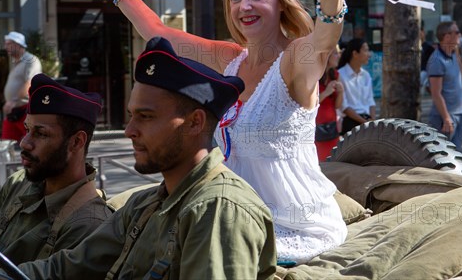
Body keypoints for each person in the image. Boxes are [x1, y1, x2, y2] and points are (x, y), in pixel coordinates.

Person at [85, 0, 347, 263]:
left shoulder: (295, 57)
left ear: (280, 1)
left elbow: (325, 39)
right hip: (231, 215)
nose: (244, 6)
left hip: (291, 227)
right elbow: (156, 31)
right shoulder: (229, 59)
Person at [19, 37, 277, 279]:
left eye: (146, 116)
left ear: (194, 122)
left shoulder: (217, 209)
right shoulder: (145, 204)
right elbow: (67, 268)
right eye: (131, 115)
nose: (129, 130)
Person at [0, 73, 112, 264]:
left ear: (76, 142)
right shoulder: (18, 183)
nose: (24, 143)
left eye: (41, 133)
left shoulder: (89, 224)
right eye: (27, 130)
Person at [427, 21, 462, 152]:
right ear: (447, 36)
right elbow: (436, 93)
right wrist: (446, 118)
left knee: (457, 158)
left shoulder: (453, 54)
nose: (460, 35)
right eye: (457, 32)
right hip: (445, 118)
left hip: (458, 114)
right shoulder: (437, 60)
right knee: (443, 159)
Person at [2, 31, 42, 141]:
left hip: (25, 110)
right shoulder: (16, 62)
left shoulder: (30, 60)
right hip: (14, 109)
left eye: (9, 44)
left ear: (18, 45)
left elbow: (30, 82)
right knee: (7, 142)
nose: (6, 47)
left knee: (33, 143)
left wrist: (13, 101)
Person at [338, 38, 376, 134]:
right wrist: (365, 122)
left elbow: (371, 101)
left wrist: (372, 121)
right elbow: (344, 106)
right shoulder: (340, 74)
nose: (369, 54)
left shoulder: (366, 75)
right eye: (366, 50)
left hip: (367, 121)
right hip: (350, 123)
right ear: (355, 54)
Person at [315, 46, 344, 161]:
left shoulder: (336, 75)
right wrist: (326, 92)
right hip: (317, 127)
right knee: (320, 161)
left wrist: (341, 93)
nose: (339, 56)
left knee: (332, 160)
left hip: (332, 126)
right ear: (327, 56)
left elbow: (337, 105)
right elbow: (310, 104)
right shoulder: (315, 76)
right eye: (336, 54)